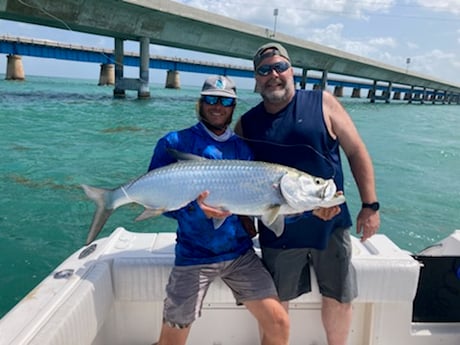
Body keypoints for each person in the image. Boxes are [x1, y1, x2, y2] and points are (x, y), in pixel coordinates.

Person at [234, 43, 381, 345]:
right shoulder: (246, 124)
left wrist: (370, 204)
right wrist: (241, 218)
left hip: (330, 223)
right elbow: (237, 179)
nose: (273, 75)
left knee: (339, 296)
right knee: (278, 300)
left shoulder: (323, 103)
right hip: (278, 228)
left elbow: (356, 151)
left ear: (292, 71)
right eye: (264, 70)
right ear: (256, 79)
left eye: (280, 67)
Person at [148, 75, 289, 345]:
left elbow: (257, 201)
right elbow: (159, 201)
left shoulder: (242, 149)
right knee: (172, 340)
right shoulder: (175, 142)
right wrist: (197, 212)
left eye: (225, 100)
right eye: (211, 99)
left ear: (233, 106)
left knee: (279, 323)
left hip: (239, 255)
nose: (217, 105)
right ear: (201, 103)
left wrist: (306, 208)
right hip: (194, 256)